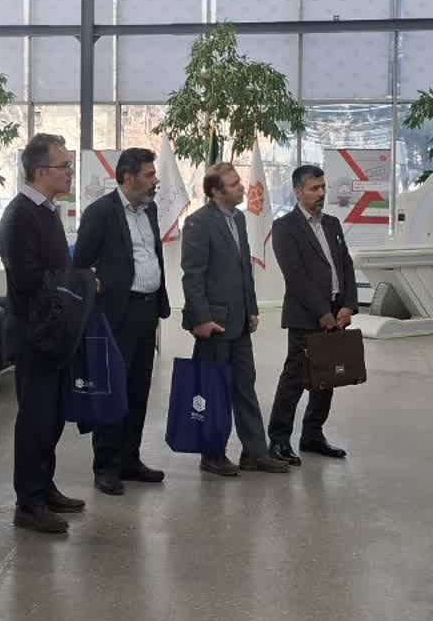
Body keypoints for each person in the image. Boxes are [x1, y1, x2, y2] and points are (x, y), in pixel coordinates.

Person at [0, 132, 87, 533]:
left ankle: (45, 486)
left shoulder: (48, 211)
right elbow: (29, 280)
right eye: (64, 166)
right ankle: (28, 502)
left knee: (51, 417)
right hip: (34, 334)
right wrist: (76, 282)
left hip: (55, 331)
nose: (70, 173)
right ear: (39, 171)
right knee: (34, 418)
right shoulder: (20, 216)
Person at [179, 162, 291, 477]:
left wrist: (252, 308)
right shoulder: (198, 223)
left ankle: (255, 453)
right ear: (216, 191)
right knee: (213, 391)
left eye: (239, 181)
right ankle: (212, 454)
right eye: (233, 184)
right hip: (213, 324)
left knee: (245, 387)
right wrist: (201, 318)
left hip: (240, 321)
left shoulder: (239, 219)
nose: (242, 187)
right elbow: (192, 277)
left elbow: (244, 269)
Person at [72, 146, 171, 496]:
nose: (155, 181)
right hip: (116, 314)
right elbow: (80, 264)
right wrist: (96, 284)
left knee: (139, 389)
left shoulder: (150, 209)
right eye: (149, 174)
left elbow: (150, 255)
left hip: (147, 311)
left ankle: (130, 458)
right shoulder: (100, 212)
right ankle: (106, 467)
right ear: (128, 177)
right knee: (113, 388)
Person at [267, 164, 358, 463]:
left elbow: (346, 265)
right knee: (294, 379)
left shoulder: (332, 224)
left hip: (335, 312)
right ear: (298, 192)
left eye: (323, 188)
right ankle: (279, 440)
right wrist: (322, 313)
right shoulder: (284, 227)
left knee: (327, 378)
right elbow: (296, 276)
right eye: (314, 188)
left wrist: (348, 305)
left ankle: (312, 435)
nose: (321, 193)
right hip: (306, 316)